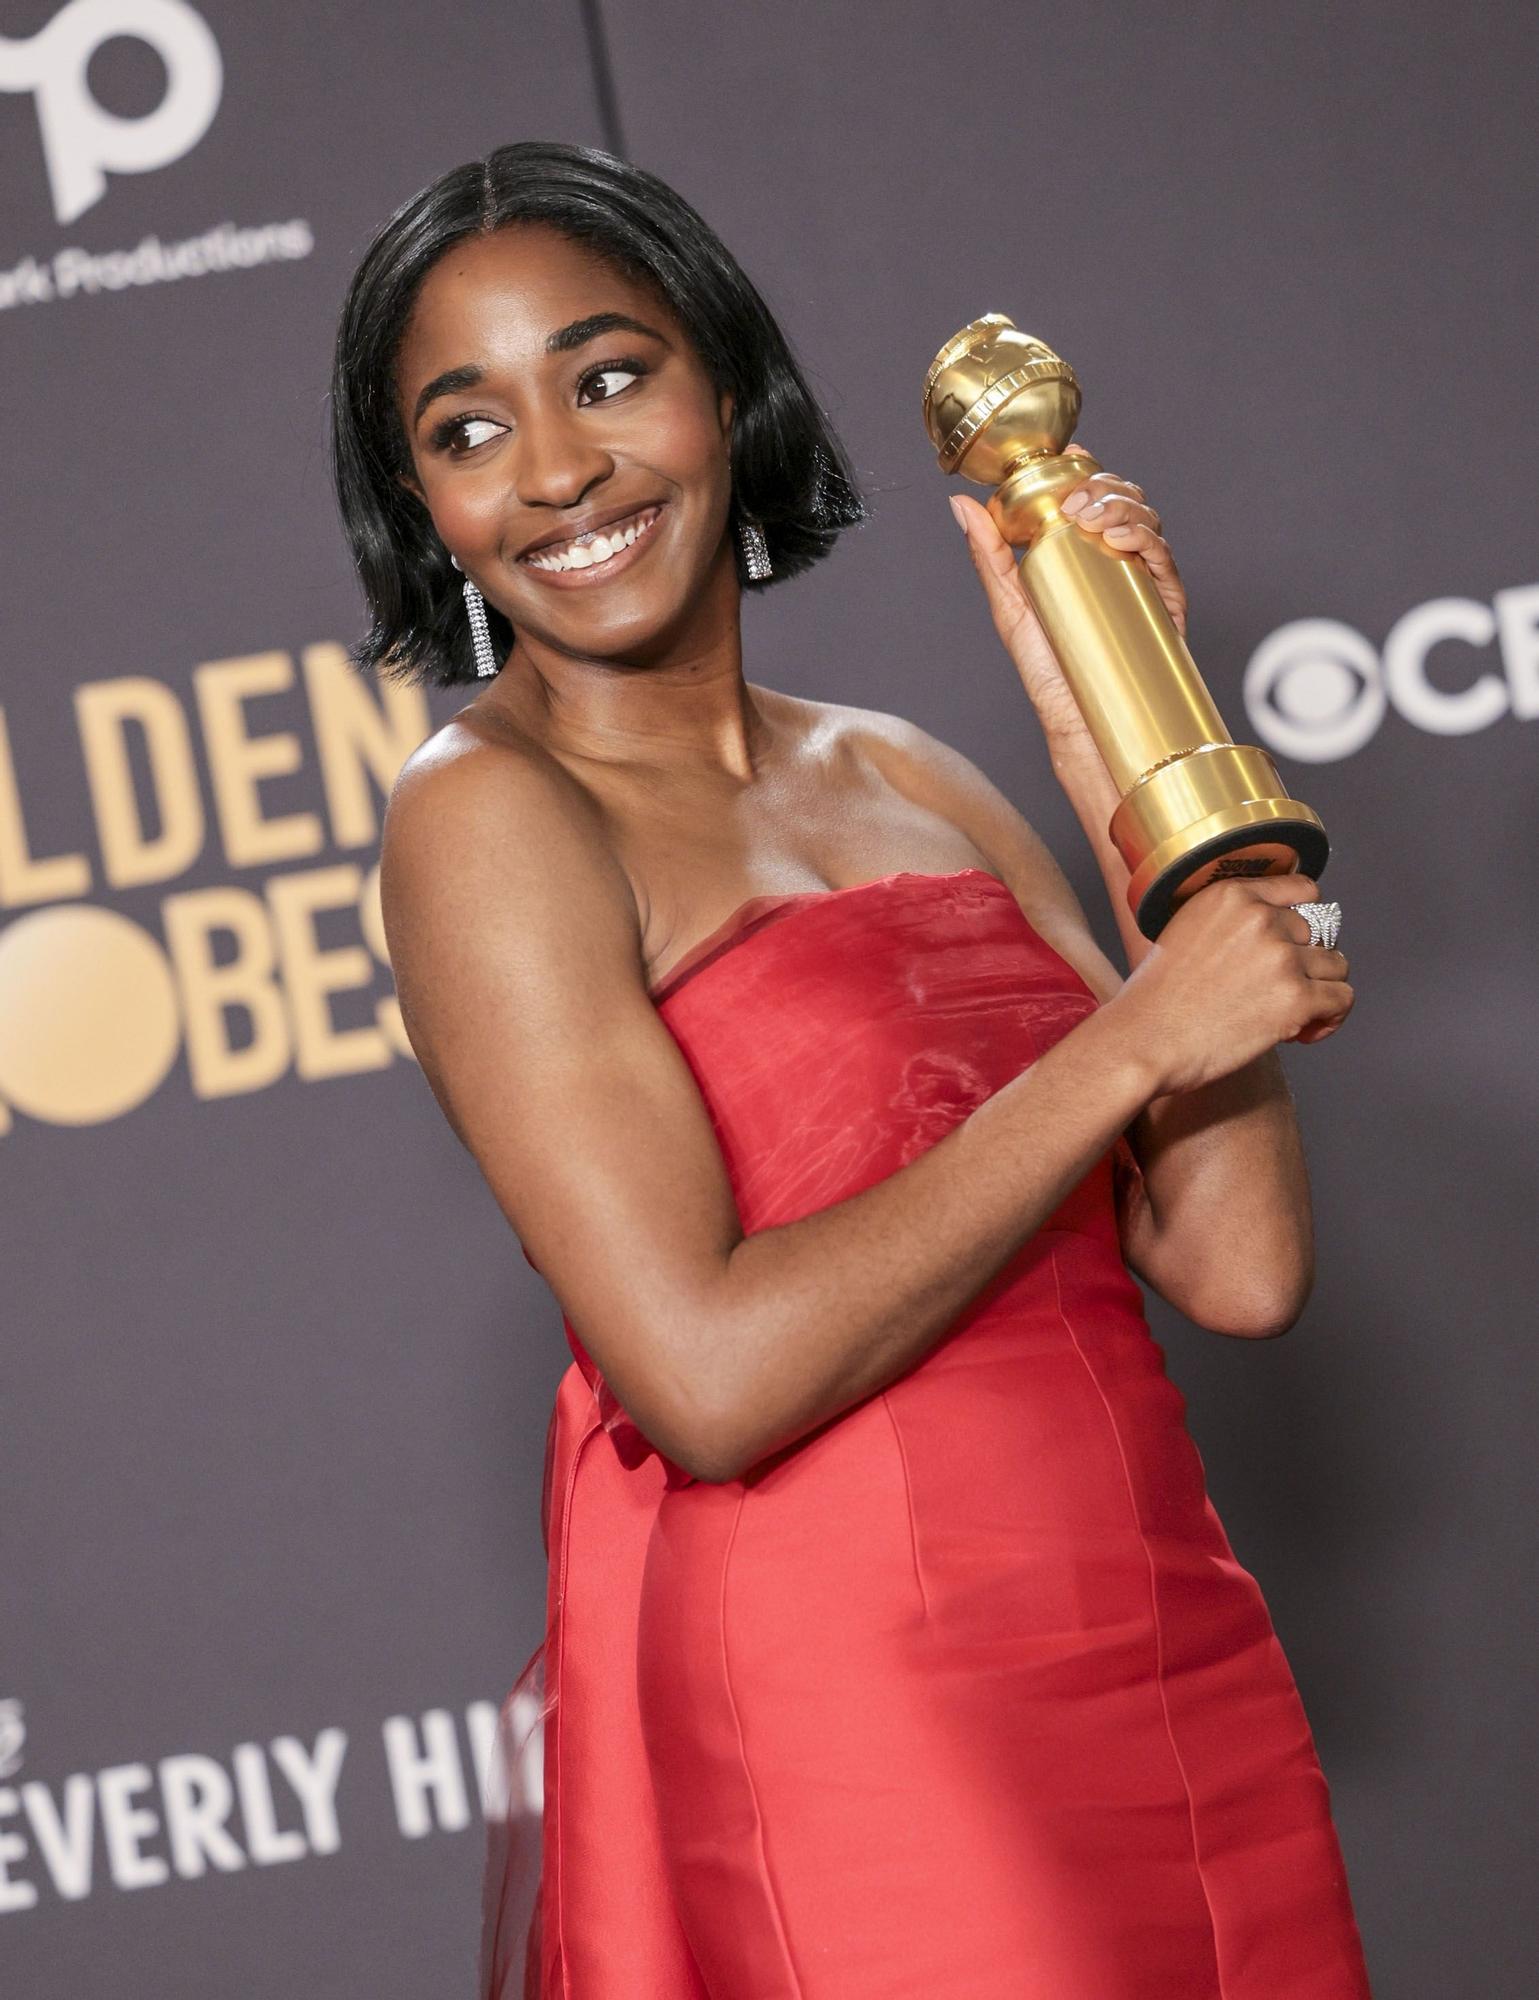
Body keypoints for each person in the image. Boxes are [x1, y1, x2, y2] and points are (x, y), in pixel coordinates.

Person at [329, 140, 1372, 1999]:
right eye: (467, 428)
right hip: (872, 1713)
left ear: (725, 383)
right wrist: (1135, 1032)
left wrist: (1136, 756)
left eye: (608, 374)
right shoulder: (485, 818)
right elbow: (707, 1376)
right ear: (421, 504)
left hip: (1163, 1650)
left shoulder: (908, 774)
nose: (557, 468)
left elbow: (1240, 1264)